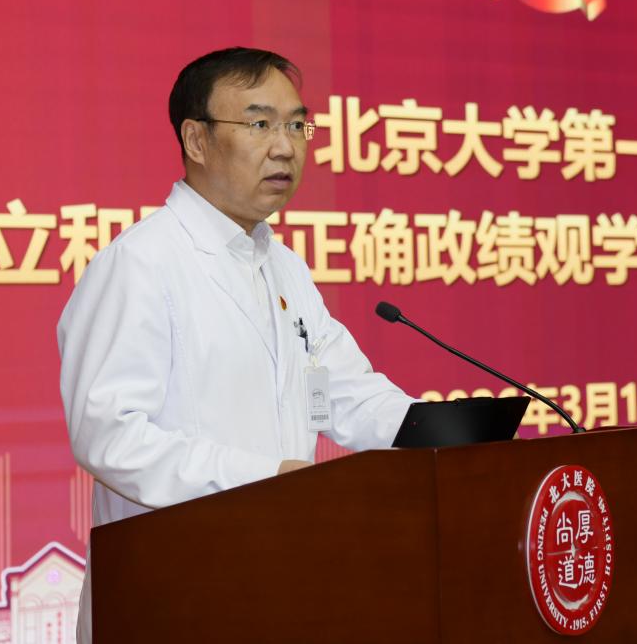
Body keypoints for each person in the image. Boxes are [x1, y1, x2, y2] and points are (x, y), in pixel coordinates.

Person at [58, 47, 416, 643]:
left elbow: (345, 393)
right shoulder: (141, 263)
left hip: (277, 580)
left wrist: (445, 433)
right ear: (196, 140)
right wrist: (268, 478)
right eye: (259, 125)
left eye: (296, 125)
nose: (285, 147)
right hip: (172, 593)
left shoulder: (285, 269)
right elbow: (109, 436)